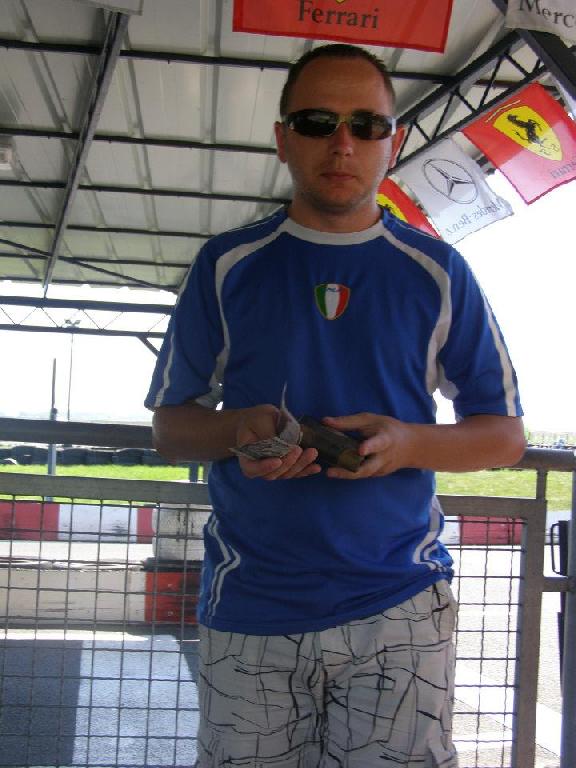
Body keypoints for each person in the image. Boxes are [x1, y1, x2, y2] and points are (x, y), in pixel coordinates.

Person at [146, 43, 525, 768]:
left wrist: (407, 444)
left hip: (399, 608)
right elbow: (171, 426)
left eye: (367, 125)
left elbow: (504, 434)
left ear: (394, 143)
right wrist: (238, 431)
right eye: (317, 122)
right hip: (251, 605)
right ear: (283, 138)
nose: (343, 143)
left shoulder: (438, 272)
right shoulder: (226, 265)